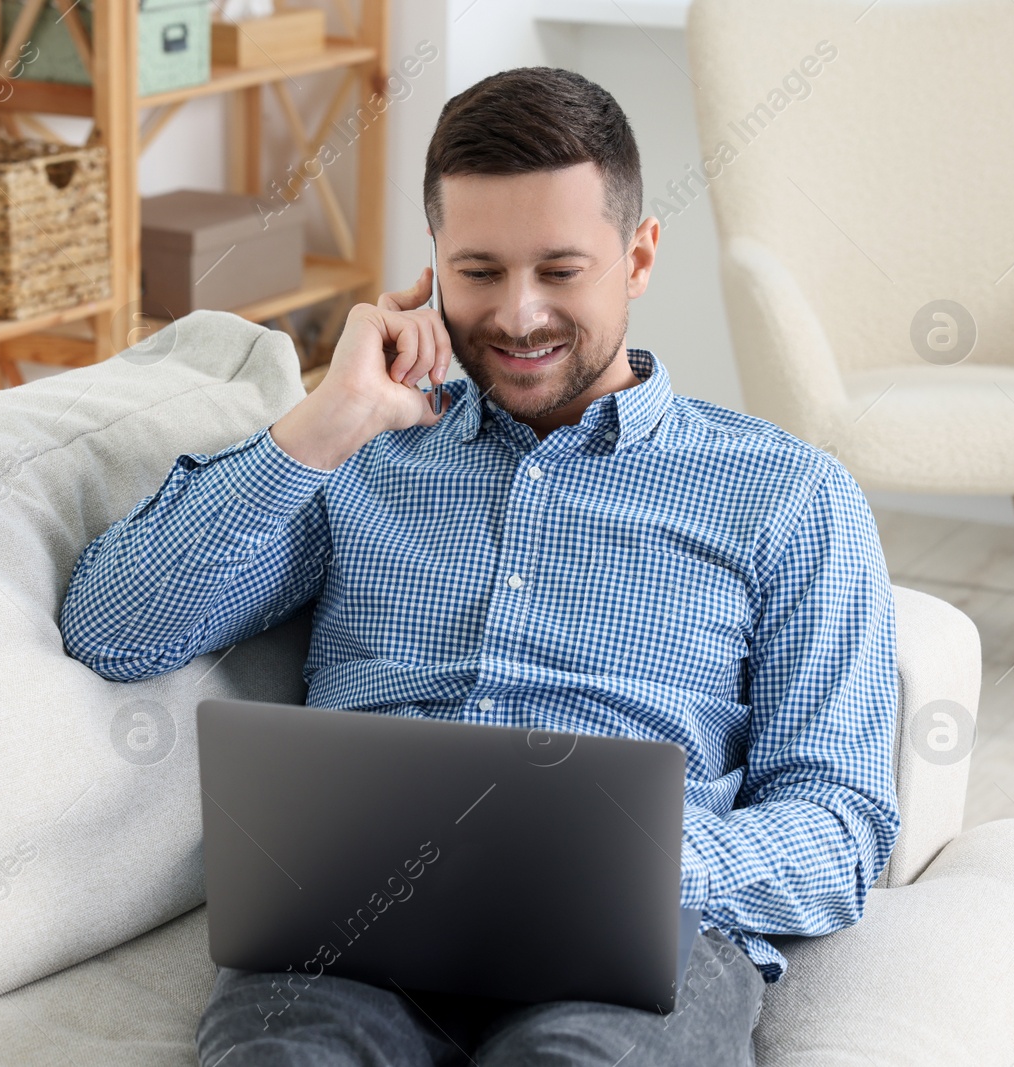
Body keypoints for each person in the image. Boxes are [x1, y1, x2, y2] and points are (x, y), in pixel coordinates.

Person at [61, 65, 899, 1067]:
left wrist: (641, 862)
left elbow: (841, 822)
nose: (518, 314)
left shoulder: (791, 496)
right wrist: (323, 423)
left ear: (637, 257)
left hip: (627, 944)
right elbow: (116, 629)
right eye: (479, 270)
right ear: (431, 268)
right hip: (344, 932)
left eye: (560, 269)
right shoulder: (359, 452)